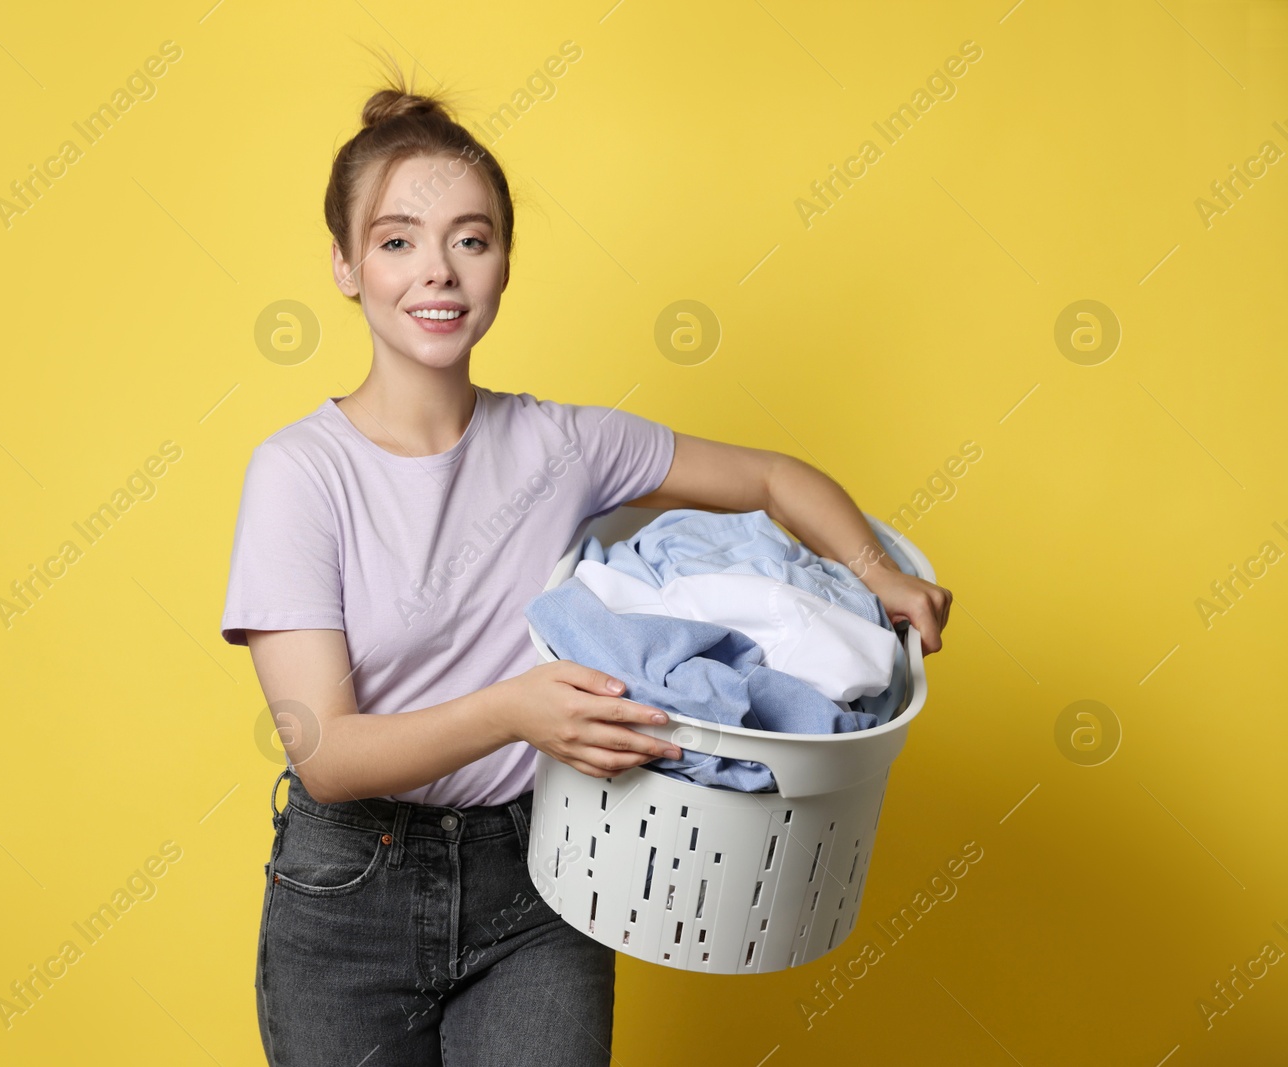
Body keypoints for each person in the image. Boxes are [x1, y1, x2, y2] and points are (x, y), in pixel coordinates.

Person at [221, 55, 953, 1067]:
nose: (437, 270)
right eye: (397, 241)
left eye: (469, 240)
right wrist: (514, 709)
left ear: (504, 264)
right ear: (346, 265)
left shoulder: (566, 445)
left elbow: (777, 479)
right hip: (350, 893)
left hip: (543, 872)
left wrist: (878, 571)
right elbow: (327, 753)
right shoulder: (300, 473)